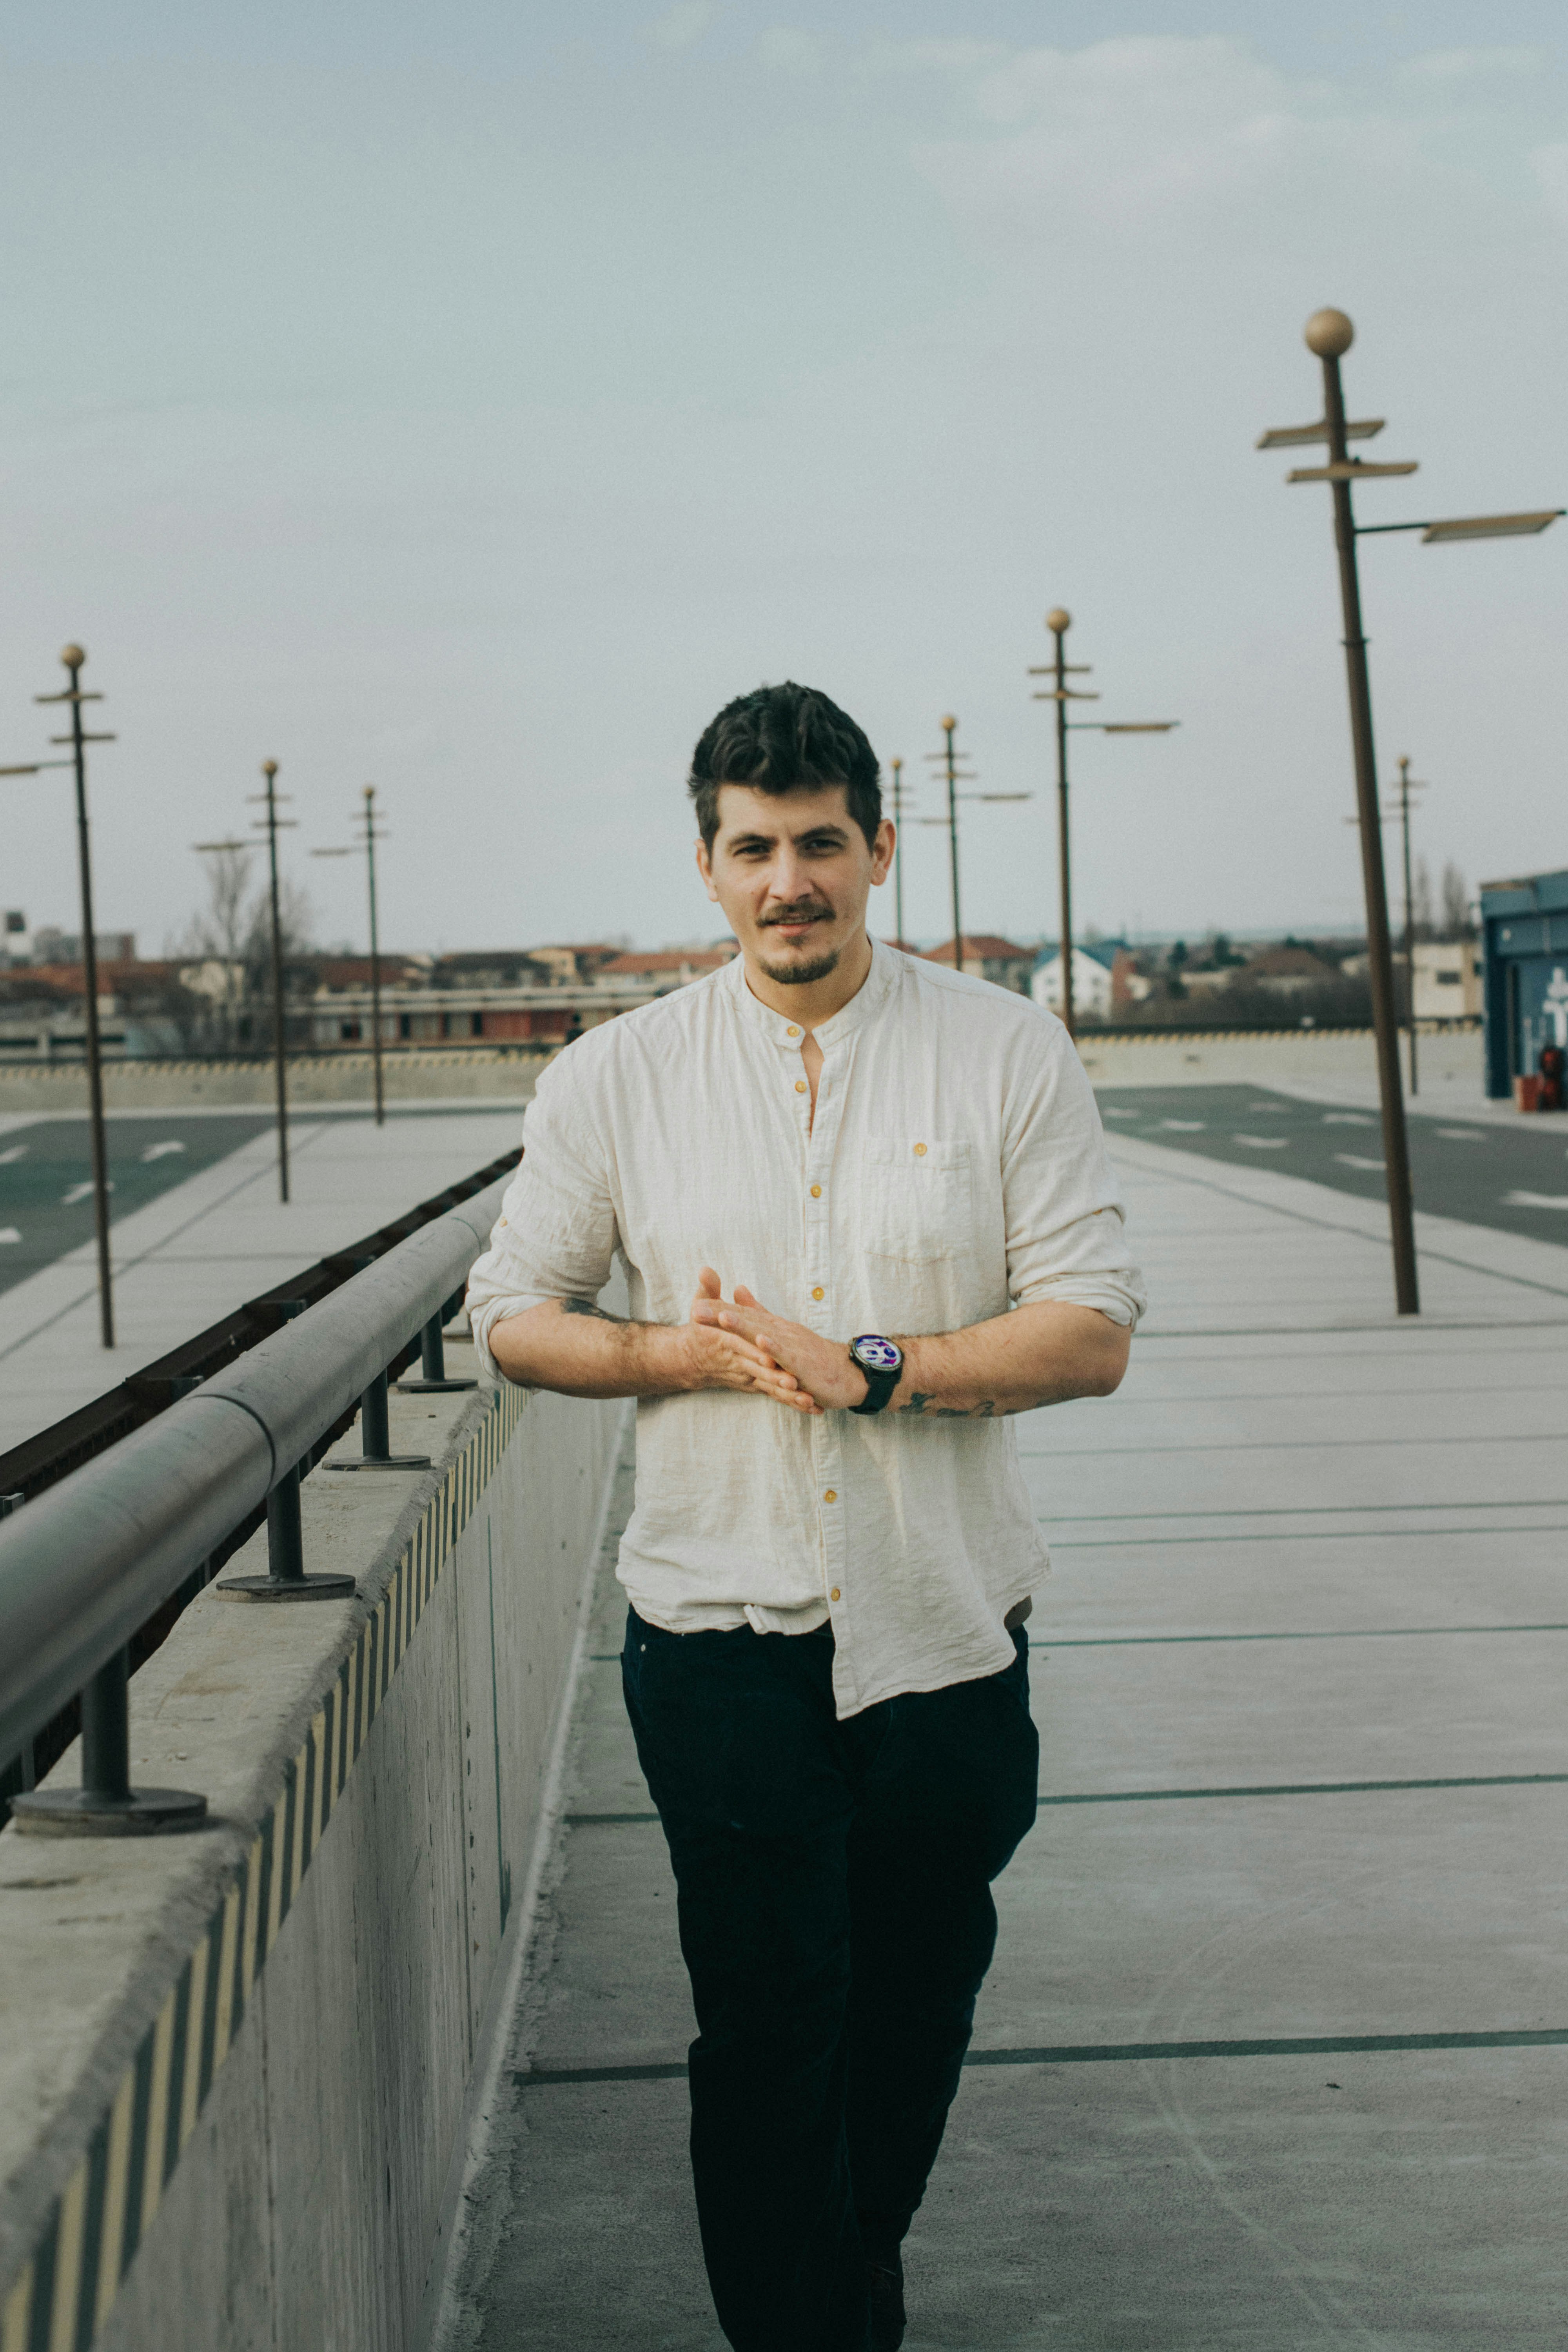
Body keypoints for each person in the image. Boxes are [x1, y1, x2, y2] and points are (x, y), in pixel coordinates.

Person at [465, 682, 1145, 2352]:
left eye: (821, 844)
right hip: (718, 1638)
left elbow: (1092, 1328)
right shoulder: (615, 1078)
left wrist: (877, 1369)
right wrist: (665, 1353)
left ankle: (844, 2288)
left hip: (946, 1631)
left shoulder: (1004, 1051)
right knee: (769, 2035)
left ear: (879, 850)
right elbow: (510, 1312)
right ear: (707, 867)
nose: (791, 883)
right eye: (755, 849)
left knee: (909, 2016)